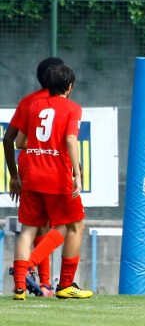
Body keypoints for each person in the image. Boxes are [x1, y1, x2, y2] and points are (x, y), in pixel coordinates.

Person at [12, 65, 93, 300]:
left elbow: (19, 142)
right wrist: (77, 173)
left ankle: (19, 288)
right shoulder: (72, 108)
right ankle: (63, 284)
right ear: (70, 87)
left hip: (31, 175)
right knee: (73, 226)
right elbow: (70, 139)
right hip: (57, 177)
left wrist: (40, 149)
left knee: (28, 230)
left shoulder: (34, 106)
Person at [3, 56, 65, 297]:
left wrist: (13, 176)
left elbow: (12, 140)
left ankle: (32, 285)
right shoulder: (62, 104)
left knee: (34, 227)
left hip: (28, 170)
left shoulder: (28, 102)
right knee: (61, 226)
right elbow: (66, 140)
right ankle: (42, 280)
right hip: (53, 169)